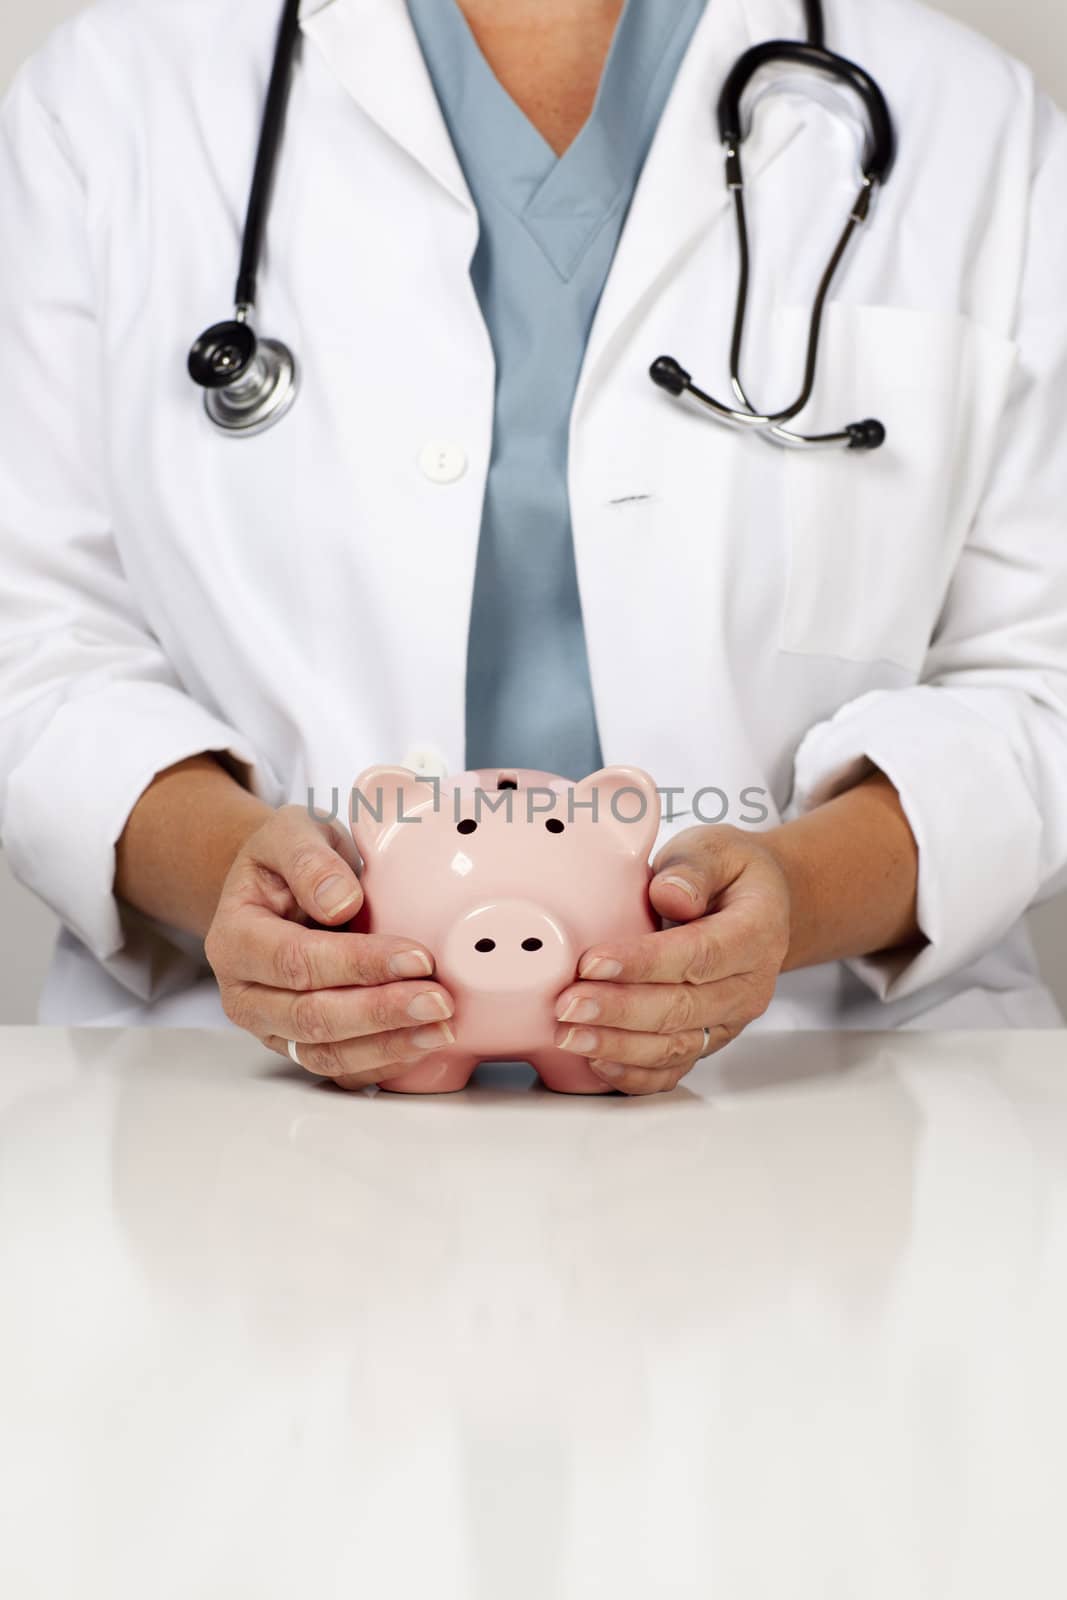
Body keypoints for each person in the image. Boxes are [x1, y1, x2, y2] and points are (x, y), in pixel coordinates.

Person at [1, 0, 1065, 1096]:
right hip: (242, 1105)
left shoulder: (969, 123)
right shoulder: (111, 99)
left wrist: (791, 898)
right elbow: (38, 645)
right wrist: (261, 897)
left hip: (833, 1083)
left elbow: (1037, 677)